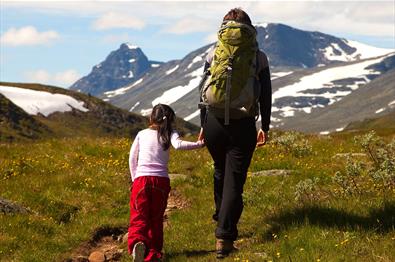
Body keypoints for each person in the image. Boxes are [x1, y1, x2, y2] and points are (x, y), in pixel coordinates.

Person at [198, 8, 272, 258]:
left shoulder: (214, 53)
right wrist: (265, 127)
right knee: (235, 180)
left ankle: (222, 215)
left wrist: (202, 125)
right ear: (249, 29)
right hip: (243, 125)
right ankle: (224, 236)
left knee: (220, 170)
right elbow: (266, 95)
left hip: (214, 123)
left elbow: (203, 90)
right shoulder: (258, 56)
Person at [128, 104, 204, 262]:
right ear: (170, 120)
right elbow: (179, 145)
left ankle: (137, 243)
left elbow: (132, 158)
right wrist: (199, 144)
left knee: (139, 215)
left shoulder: (142, 133)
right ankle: (153, 253)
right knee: (156, 218)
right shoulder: (170, 133)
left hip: (141, 180)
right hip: (161, 182)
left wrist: (135, 179)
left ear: (151, 118)